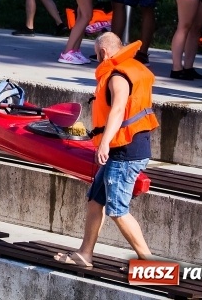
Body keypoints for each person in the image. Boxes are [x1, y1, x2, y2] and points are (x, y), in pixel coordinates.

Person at [54, 32, 158, 269]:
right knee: (95, 199)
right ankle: (85, 254)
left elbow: (119, 108)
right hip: (123, 148)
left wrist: (104, 142)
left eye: (97, 54)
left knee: (118, 210)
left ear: (103, 52)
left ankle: (150, 265)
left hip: (125, 151)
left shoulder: (118, 76)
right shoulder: (131, 66)